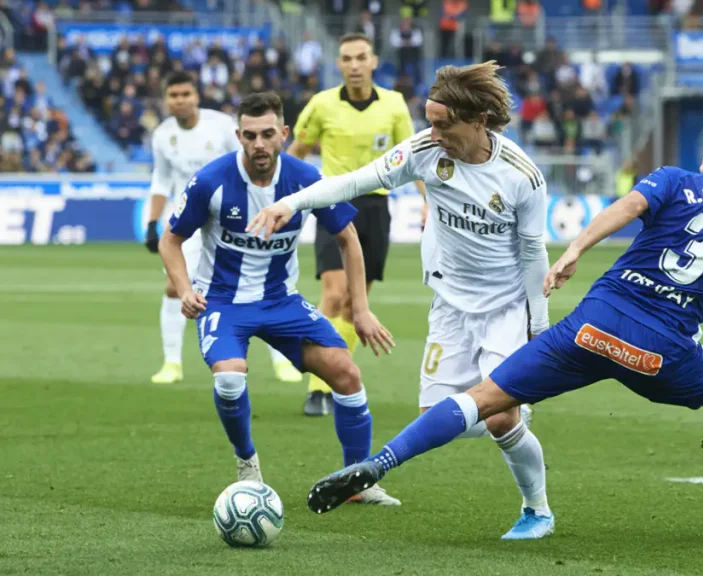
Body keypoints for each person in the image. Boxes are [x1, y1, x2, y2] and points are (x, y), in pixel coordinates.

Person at [290, 120, 703, 540]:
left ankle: (380, 463)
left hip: (592, 323)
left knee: (484, 397)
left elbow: (623, 208)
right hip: (658, 349)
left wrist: (573, 249)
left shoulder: (675, 178)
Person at [248, 62, 555, 540]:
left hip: (506, 308)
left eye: (443, 124)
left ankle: (537, 510)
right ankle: (504, 407)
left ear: (478, 121)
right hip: (450, 305)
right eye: (429, 121)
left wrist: (540, 327)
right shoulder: (424, 151)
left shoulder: (522, 177)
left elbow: (534, 255)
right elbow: (354, 181)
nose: (433, 133)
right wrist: (292, 203)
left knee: (500, 419)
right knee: (436, 419)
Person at [158, 92, 399, 505]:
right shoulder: (211, 181)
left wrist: (360, 309)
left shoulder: (305, 178)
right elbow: (171, 239)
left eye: (267, 134)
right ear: (239, 136)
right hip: (224, 302)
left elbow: (348, 238)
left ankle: (357, 482)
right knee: (229, 378)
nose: (259, 144)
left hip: (281, 302)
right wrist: (184, 289)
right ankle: (247, 463)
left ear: (284, 134)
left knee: (346, 374)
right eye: (250, 135)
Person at [288, 33, 427, 417]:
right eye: (347, 58)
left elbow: (412, 158)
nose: (354, 65)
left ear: (373, 61)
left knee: (354, 305)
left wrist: (428, 200)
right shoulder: (322, 104)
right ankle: (317, 389)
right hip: (332, 202)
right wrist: (282, 197)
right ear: (339, 64)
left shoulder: (394, 104)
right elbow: (297, 152)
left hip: (376, 207)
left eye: (360, 57)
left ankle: (335, 382)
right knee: (333, 294)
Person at [146, 71, 302, 385]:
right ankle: (172, 363)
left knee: (266, 282)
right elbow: (161, 179)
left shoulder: (220, 126)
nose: (180, 100)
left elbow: (258, 158)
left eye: (186, 94)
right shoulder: (162, 135)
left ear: (196, 96)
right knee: (174, 287)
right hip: (192, 216)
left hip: (235, 214)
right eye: (173, 95)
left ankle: (281, 360)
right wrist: (152, 221)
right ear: (165, 100)